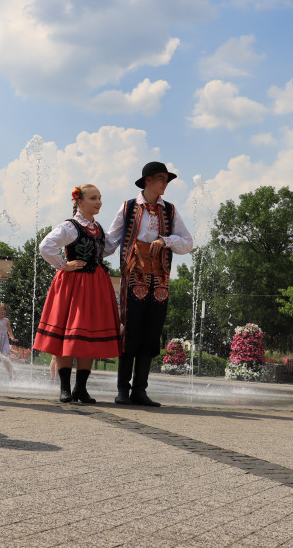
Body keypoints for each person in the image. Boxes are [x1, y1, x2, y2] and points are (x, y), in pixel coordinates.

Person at [106, 162, 193, 407]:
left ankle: (140, 391)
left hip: (161, 278)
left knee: (152, 333)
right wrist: (89, 255)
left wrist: (166, 240)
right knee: (130, 331)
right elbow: (112, 240)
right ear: (147, 180)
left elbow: (187, 243)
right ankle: (123, 390)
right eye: (161, 178)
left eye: (167, 179)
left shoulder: (170, 211)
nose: (165, 183)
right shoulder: (128, 207)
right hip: (135, 275)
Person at [35, 184, 121, 403]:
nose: (98, 202)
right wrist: (63, 265)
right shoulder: (70, 226)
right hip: (74, 284)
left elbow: (106, 248)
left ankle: (80, 388)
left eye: (100, 198)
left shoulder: (98, 228)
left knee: (88, 335)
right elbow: (46, 246)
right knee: (66, 333)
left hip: (95, 285)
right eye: (93, 198)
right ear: (79, 202)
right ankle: (65, 387)